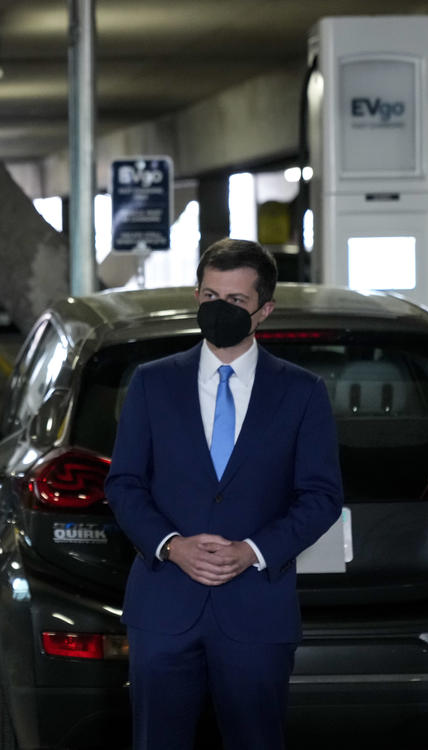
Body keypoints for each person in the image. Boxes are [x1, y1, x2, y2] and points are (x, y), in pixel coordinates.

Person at [104, 238, 343, 750]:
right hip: (164, 608)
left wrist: (252, 552)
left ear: (265, 310)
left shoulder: (301, 392)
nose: (219, 309)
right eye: (211, 296)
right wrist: (172, 545)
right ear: (196, 296)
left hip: (256, 611)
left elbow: (321, 495)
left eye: (235, 301)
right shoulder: (151, 383)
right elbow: (124, 483)